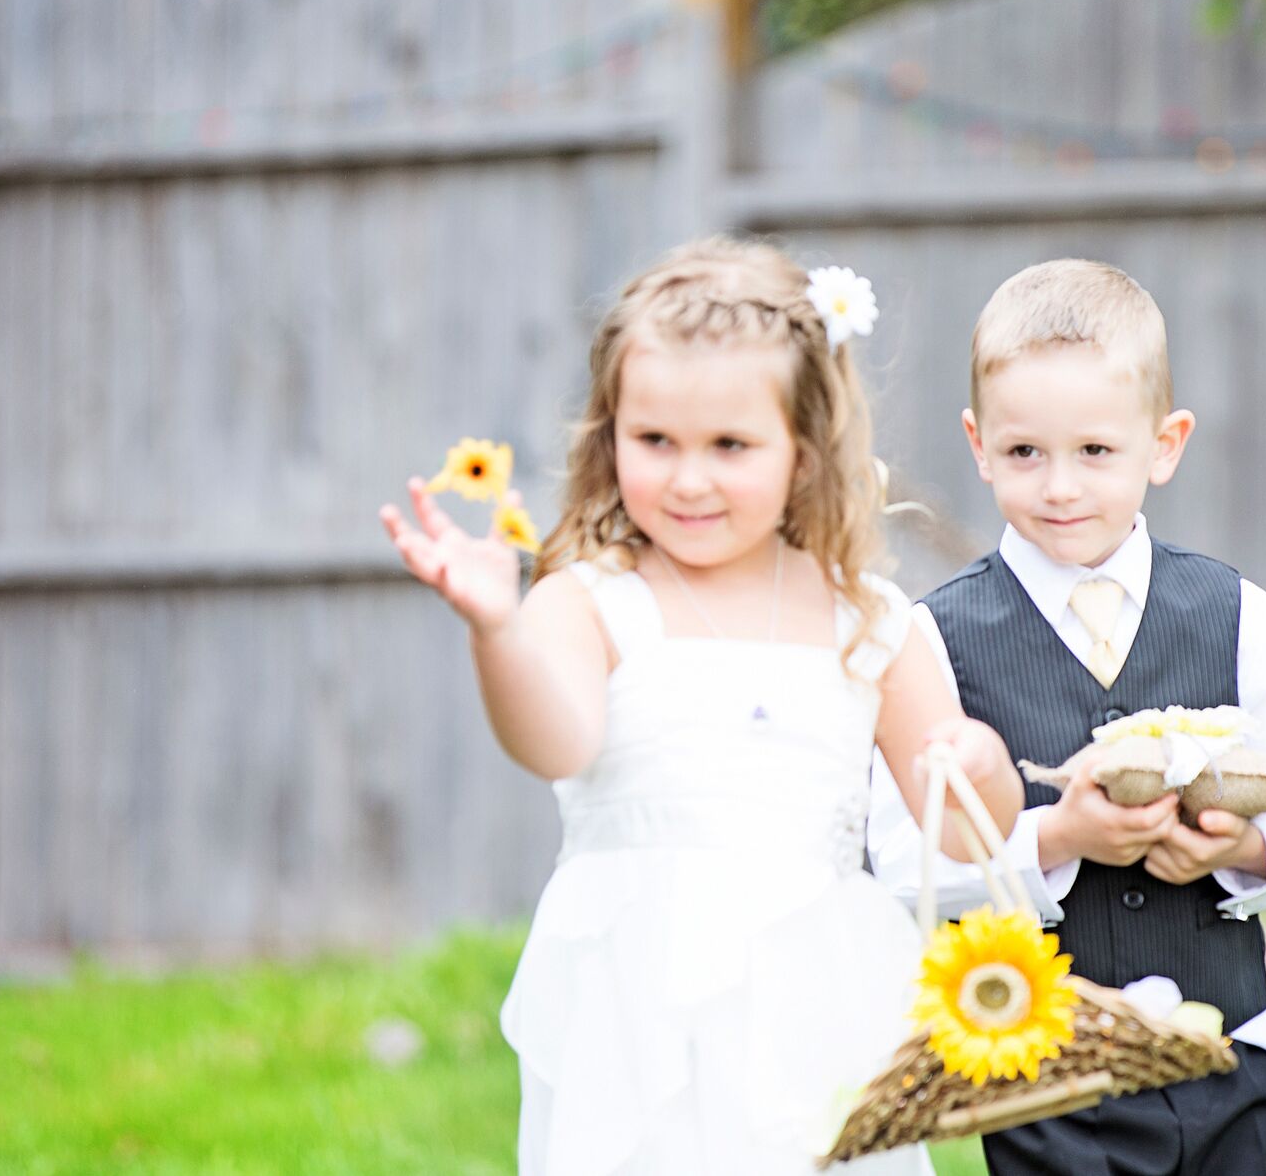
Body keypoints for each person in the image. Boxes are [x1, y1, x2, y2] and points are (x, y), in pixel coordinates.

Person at [380, 238, 1022, 1176]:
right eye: (655, 442)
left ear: (803, 451)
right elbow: (557, 738)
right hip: (631, 997)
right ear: (611, 437)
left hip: (815, 995)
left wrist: (981, 766)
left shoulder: (868, 619)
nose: (688, 479)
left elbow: (968, 831)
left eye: (729, 446)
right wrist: (495, 630)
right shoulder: (590, 598)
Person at [869, 258, 1266, 1175]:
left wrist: (1238, 850)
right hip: (1042, 1068)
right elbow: (901, 863)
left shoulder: (1236, 613)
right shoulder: (932, 638)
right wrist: (1057, 834)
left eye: (1096, 451)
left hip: (1227, 1054)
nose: (1060, 487)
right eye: (1025, 453)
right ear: (978, 445)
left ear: (1164, 443)